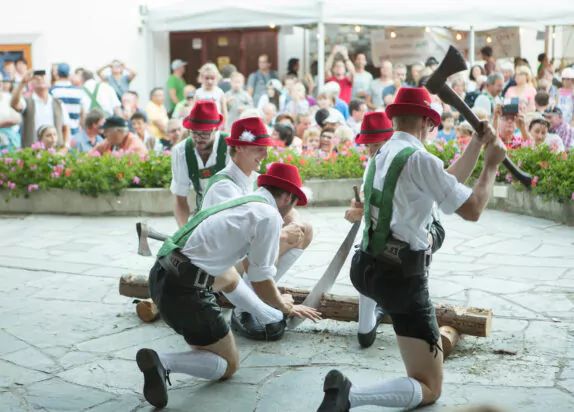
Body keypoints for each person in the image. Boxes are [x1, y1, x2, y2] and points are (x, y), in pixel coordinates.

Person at [317, 87, 506, 411]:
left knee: (415, 352)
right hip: (402, 280)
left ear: (396, 119)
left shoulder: (381, 156)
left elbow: (442, 184)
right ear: (427, 123)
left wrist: (475, 143)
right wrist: (491, 165)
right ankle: (351, 395)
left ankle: (366, 331)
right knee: (430, 386)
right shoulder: (420, 159)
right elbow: (473, 208)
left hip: (366, 267)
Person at [137, 162, 321, 409]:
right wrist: (283, 304)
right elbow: (261, 280)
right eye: (294, 202)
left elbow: (234, 277)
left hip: (160, 275)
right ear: (287, 196)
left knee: (229, 275)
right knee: (227, 365)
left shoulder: (243, 202)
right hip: (185, 294)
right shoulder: (268, 216)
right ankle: (162, 361)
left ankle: (266, 315)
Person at [201, 117, 313, 338]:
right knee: (270, 246)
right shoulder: (223, 187)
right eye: (260, 148)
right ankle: (244, 310)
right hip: (218, 267)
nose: (266, 155)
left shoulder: (252, 177)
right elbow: (240, 241)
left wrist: (295, 225)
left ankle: (260, 297)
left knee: (305, 230)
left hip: (239, 258)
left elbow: (285, 207)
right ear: (240, 147)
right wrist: (281, 235)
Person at [170, 101, 230, 227]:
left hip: (231, 210)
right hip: (202, 212)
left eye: (204, 134)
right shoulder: (181, 151)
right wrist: (183, 231)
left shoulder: (231, 147)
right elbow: (180, 197)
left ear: (216, 129)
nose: (198, 138)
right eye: (194, 132)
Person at [11, 69, 72, 148]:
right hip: (32, 152)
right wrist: (22, 83)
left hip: (56, 151)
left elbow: (66, 128)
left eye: (44, 77)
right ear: (31, 83)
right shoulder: (27, 102)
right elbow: (14, 104)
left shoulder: (58, 104)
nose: (41, 79)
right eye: (36, 78)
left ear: (50, 82)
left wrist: (66, 147)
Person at [50, 63, 86, 136]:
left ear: (57, 74)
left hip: (59, 131)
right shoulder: (79, 91)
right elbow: (82, 113)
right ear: (69, 75)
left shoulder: (52, 91)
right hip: (75, 130)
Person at [194, 63, 228, 128]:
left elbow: (224, 110)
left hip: (216, 123)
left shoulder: (219, 92)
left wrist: (225, 125)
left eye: (212, 78)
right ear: (201, 78)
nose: (209, 81)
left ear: (217, 78)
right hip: (202, 123)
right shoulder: (198, 93)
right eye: (206, 78)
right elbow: (194, 109)